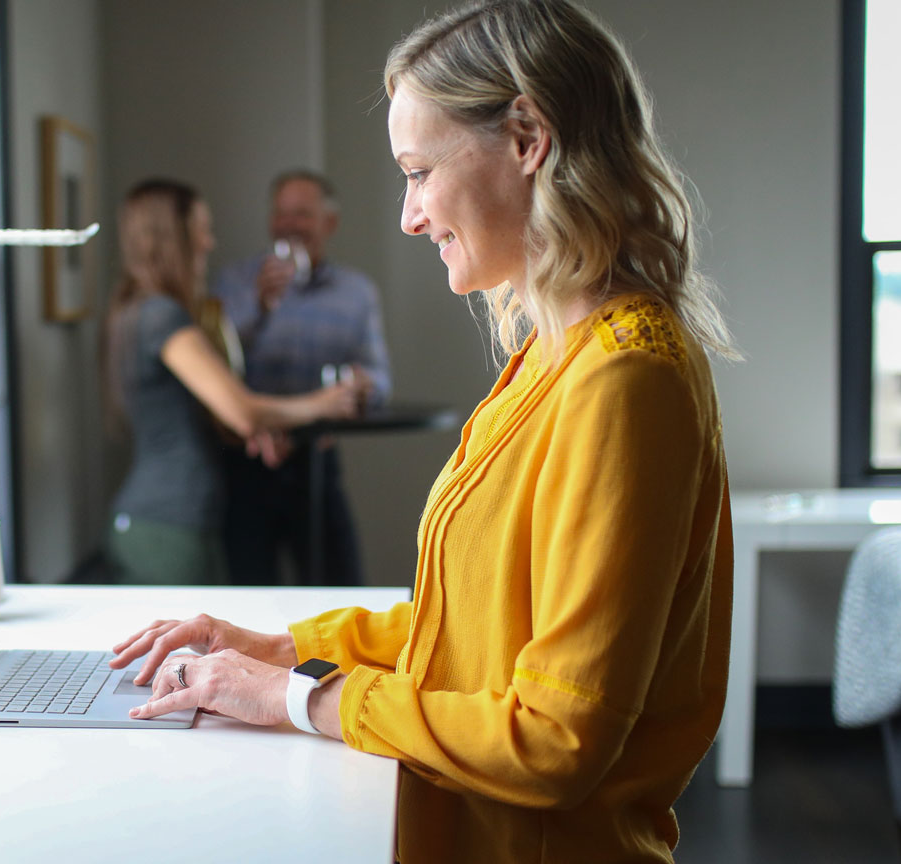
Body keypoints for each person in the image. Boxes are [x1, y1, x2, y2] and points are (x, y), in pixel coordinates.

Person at [106, 2, 739, 861]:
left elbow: (555, 741)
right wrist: (279, 648)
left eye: (418, 172)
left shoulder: (624, 378)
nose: (409, 216)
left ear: (526, 139)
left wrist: (299, 698)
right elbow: (470, 631)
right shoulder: (557, 357)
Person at [103, 178, 357, 586]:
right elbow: (241, 409)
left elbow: (210, 415)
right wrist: (324, 404)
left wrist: (255, 431)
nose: (209, 242)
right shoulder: (162, 316)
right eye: (201, 229)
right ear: (173, 237)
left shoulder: (142, 310)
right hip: (168, 524)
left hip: (167, 521)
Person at [212, 170, 393, 586]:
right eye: (281, 214)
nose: (289, 225)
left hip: (317, 460)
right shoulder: (236, 282)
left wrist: (363, 390)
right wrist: (257, 307)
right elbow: (214, 366)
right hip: (247, 463)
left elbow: (380, 378)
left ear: (329, 224)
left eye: (302, 214)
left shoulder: (357, 292)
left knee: (340, 588)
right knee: (250, 594)